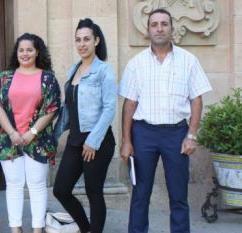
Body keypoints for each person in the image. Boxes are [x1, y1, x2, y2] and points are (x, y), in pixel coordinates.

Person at [118, 9, 212, 233]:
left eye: (164, 24)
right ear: (148, 30)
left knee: (179, 195)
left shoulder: (188, 61)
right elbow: (129, 105)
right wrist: (126, 140)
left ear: (172, 28)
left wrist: (191, 135)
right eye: (154, 24)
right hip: (143, 134)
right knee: (140, 193)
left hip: (176, 134)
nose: (159, 28)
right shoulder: (136, 63)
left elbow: (196, 100)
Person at [0, 33, 61, 233]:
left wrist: (32, 131)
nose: (25, 53)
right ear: (17, 53)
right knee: (14, 185)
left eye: (30, 49)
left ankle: (37, 228)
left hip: (37, 139)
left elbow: (52, 108)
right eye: (21, 50)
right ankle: (15, 228)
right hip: (8, 139)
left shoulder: (47, 78)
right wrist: (12, 132)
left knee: (37, 185)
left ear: (38, 52)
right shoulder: (5, 78)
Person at [52, 18, 116, 233]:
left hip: (97, 140)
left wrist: (93, 141)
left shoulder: (104, 71)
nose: (82, 44)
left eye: (86, 39)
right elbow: (68, 107)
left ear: (96, 41)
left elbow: (109, 109)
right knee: (61, 189)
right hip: (75, 140)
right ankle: (86, 229)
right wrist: (56, 135)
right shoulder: (73, 70)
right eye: (78, 39)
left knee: (93, 191)